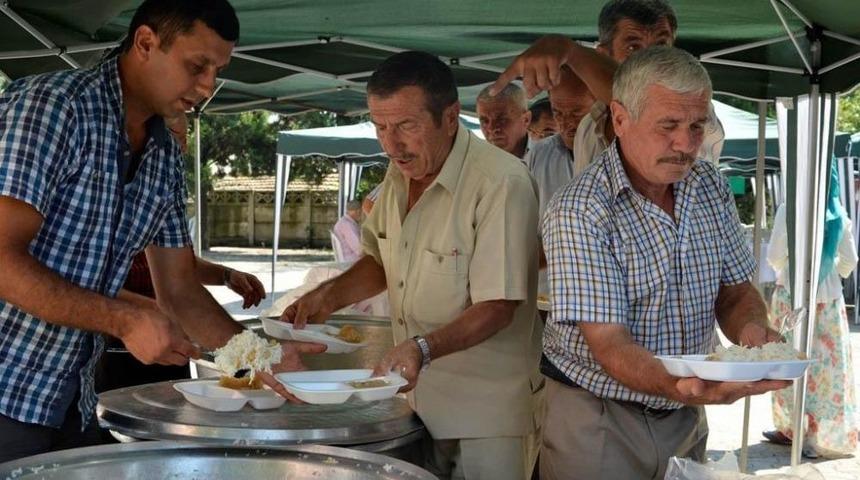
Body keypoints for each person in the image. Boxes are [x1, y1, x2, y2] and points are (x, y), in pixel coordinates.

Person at [0, 0, 322, 463]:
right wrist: (124, 319)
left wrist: (261, 355)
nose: (208, 85)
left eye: (217, 70)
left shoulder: (164, 158)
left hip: (68, 401)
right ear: (146, 43)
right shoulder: (53, 109)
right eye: (197, 66)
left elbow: (179, 290)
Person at [281, 51, 543, 480]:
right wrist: (324, 298)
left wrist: (422, 348)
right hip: (416, 403)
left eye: (406, 126)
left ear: (451, 116)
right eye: (380, 127)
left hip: (489, 414)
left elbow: (499, 304)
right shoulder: (398, 172)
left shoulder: (501, 182)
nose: (391, 143)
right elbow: (381, 260)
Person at [538, 46, 790, 480]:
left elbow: (734, 291)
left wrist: (753, 336)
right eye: (668, 126)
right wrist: (687, 385)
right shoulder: (578, 210)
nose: (686, 144)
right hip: (599, 415)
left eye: (697, 125)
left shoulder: (709, 185)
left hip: (685, 413)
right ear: (619, 119)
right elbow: (610, 346)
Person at [96, 115, 267, 396]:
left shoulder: (163, 185)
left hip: (171, 334)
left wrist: (226, 276)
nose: (182, 148)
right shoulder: (105, 190)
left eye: (185, 139)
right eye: (175, 135)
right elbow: (73, 277)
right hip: (118, 342)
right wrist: (134, 314)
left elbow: (179, 272)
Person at [492, 0, 724, 167]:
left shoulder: (694, 114)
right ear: (603, 54)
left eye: (661, 46)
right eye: (633, 48)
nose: (650, 59)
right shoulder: (589, 128)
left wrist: (571, 52)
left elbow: (643, 102)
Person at [764, 165, 859, 459]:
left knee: (788, 359)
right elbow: (850, 260)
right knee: (824, 368)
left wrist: (787, 272)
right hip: (828, 300)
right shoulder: (838, 213)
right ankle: (815, 435)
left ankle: (792, 429)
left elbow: (774, 256)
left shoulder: (787, 210)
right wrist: (830, 273)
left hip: (791, 296)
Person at [523, 67, 594, 220]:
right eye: (558, 113)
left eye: (576, 113)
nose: (567, 123)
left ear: (599, 107)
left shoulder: (619, 152)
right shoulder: (539, 154)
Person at [476, 83, 531, 158]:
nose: (491, 129)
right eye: (484, 121)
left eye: (502, 119)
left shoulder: (547, 157)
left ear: (526, 120)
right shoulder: (476, 161)